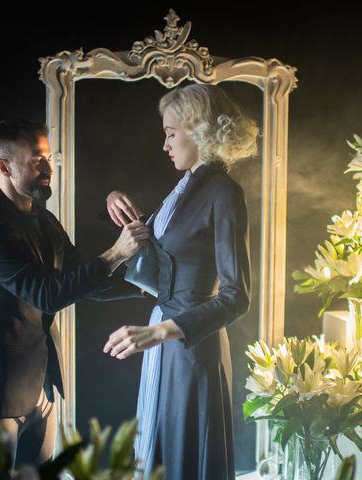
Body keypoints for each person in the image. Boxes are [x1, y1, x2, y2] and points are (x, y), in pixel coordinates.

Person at [0, 119, 149, 468]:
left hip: (42, 386)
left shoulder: (44, 220)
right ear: (3, 166)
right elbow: (45, 295)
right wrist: (117, 253)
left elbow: (84, 280)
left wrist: (151, 289)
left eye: (48, 158)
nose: (47, 168)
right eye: (36, 160)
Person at [103, 84, 258, 480]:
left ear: (199, 129)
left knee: (184, 455)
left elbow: (237, 297)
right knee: (162, 453)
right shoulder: (188, 186)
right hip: (167, 342)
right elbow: (162, 261)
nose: (165, 144)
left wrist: (161, 331)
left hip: (191, 349)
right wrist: (116, 203)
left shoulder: (223, 192)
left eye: (171, 133)